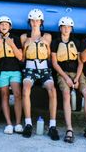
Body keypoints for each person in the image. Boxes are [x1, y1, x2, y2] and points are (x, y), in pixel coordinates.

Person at [51, 16, 86, 143]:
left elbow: (81, 62)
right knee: (66, 94)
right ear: (60, 28)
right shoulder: (55, 42)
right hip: (62, 73)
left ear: (71, 29)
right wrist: (66, 78)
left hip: (77, 72)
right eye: (64, 27)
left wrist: (76, 78)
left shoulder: (76, 42)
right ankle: (69, 129)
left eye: (68, 27)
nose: (66, 29)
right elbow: (55, 63)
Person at [20, 9, 59, 140]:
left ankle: (53, 126)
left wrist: (45, 44)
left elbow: (48, 56)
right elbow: (22, 59)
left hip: (43, 68)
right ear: (29, 22)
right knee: (26, 89)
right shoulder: (24, 37)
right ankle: (28, 123)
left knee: (52, 90)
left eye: (37, 20)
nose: (35, 22)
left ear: (41, 22)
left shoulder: (47, 36)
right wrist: (26, 45)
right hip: (30, 68)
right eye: (32, 20)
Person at [0, 15, 24, 134]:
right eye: (1, 24)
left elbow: (20, 57)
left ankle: (18, 123)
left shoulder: (15, 38)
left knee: (18, 95)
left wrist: (12, 44)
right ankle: (9, 124)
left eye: (6, 24)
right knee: (4, 95)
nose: (4, 26)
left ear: (10, 27)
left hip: (14, 70)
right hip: (1, 71)